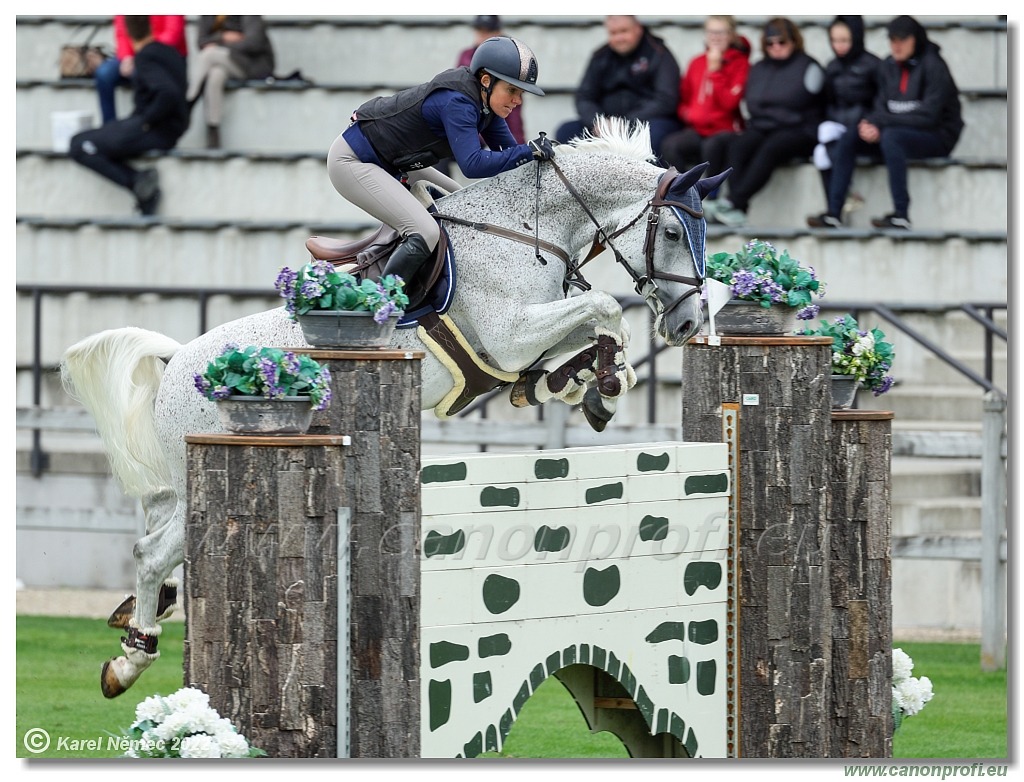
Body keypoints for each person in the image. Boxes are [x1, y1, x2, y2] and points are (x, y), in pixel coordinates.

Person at [327, 35, 552, 289]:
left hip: (392, 162)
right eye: (512, 90)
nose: (518, 101)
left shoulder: (485, 105)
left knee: (465, 207)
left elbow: (513, 154)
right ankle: (383, 304)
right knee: (426, 232)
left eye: (520, 93)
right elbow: (473, 164)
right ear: (486, 81)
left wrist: (545, 157)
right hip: (353, 161)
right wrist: (527, 151)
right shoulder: (459, 102)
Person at [807, 15, 963, 230]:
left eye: (902, 40)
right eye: (892, 41)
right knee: (851, 135)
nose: (896, 46)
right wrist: (872, 125)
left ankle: (901, 215)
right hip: (896, 133)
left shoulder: (934, 66)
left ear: (915, 39)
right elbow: (880, 106)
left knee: (891, 137)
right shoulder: (889, 66)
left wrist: (882, 122)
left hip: (936, 137)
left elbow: (929, 116)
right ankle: (834, 213)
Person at [704, 18, 825, 228]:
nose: (776, 47)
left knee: (771, 147)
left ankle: (733, 202)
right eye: (770, 43)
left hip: (800, 129)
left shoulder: (809, 66)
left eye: (782, 42)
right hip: (764, 126)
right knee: (738, 145)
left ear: (794, 41)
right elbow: (753, 103)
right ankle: (736, 211)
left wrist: (774, 114)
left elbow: (803, 102)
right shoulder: (760, 68)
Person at [69, 15, 189, 216]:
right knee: (102, 135)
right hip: (167, 129)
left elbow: (168, 93)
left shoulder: (145, 57)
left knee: (79, 145)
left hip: (153, 130)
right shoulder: (170, 53)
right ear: (151, 26)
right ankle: (139, 181)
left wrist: (146, 121)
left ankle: (137, 182)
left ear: (127, 32)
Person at [555, 15, 681, 157]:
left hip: (645, 122)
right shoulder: (600, 57)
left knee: (653, 134)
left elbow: (666, 100)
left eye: (624, 31)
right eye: (613, 33)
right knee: (566, 131)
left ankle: (650, 179)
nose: (619, 38)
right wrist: (598, 122)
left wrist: (625, 123)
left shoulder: (659, 54)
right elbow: (584, 97)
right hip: (604, 125)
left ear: (638, 29)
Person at [806, 16, 880, 227]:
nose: (839, 46)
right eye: (835, 40)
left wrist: (870, 122)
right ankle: (833, 207)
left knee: (843, 145)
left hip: (864, 130)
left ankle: (835, 211)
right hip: (840, 125)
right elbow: (827, 102)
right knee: (821, 151)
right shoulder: (832, 67)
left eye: (845, 40)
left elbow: (881, 101)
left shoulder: (873, 65)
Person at [659, 15, 751, 174]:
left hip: (726, 130)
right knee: (670, 145)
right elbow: (684, 98)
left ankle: (712, 194)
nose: (715, 37)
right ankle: (683, 192)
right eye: (711, 32)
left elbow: (730, 103)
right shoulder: (697, 62)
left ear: (731, 35)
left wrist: (715, 72)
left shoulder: (741, 64)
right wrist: (688, 114)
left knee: (712, 148)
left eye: (721, 32)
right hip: (697, 129)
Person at [186, 16, 276, 149]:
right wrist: (223, 37)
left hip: (253, 65)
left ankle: (189, 101)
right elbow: (201, 42)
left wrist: (220, 44)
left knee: (209, 55)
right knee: (215, 75)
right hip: (227, 62)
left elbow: (254, 42)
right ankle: (213, 130)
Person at [93, 15, 187, 125]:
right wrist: (126, 56)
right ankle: (109, 129)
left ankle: (144, 126)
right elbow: (121, 30)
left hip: (163, 55)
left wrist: (145, 54)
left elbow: (173, 33)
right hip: (133, 54)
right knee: (103, 74)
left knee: (141, 74)